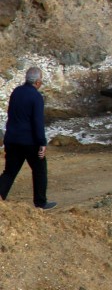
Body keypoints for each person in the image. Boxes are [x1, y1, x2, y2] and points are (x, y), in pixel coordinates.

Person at [0, 67, 55, 210]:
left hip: (12, 139)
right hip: (29, 141)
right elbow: (37, 122)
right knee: (39, 170)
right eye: (41, 80)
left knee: (10, 172)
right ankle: (40, 203)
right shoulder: (36, 96)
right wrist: (42, 143)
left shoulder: (16, 92)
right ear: (37, 82)